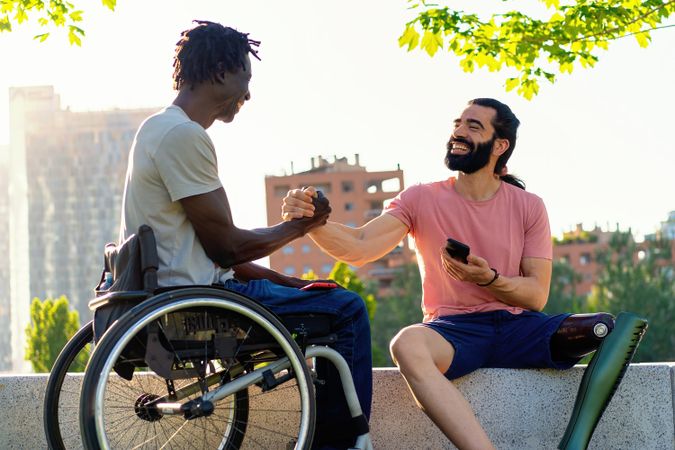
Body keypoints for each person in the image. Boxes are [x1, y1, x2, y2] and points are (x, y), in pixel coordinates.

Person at [282, 98, 647, 449]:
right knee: (406, 344)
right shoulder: (419, 198)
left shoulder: (529, 206)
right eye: (457, 124)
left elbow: (536, 295)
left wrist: (487, 279)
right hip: (454, 332)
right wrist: (311, 223)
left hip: (518, 327)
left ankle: (576, 441)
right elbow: (359, 246)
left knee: (604, 327)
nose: (459, 132)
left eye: (473, 126)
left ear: (499, 145)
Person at [119, 20, 371, 450]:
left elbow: (220, 255)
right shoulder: (184, 135)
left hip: (173, 292)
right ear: (220, 69)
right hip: (196, 304)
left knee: (324, 297)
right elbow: (228, 246)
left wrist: (295, 284)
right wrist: (301, 226)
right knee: (346, 309)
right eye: (245, 78)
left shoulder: (159, 128)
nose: (248, 94)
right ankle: (337, 444)